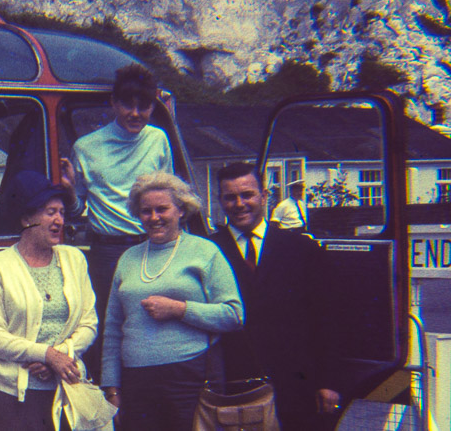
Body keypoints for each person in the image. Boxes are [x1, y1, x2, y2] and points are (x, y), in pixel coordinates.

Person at [100, 171, 243, 431]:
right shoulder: (128, 258)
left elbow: (233, 315)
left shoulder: (204, 251)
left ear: (180, 210)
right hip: (136, 380)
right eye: (146, 211)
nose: (154, 217)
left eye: (162, 209)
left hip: (190, 375)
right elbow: (112, 330)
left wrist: (179, 309)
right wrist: (112, 389)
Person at [208, 162, 341, 430]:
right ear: (220, 201)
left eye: (247, 194)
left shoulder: (301, 248)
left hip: (297, 386)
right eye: (230, 197)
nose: (240, 203)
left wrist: (329, 381)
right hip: (234, 386)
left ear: (265, 196)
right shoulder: (206, 250)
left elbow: (327, 318)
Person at [61, 64, 173, 379]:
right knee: (108, 330)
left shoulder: (159, 140)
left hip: (152, 247)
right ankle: (109, 402)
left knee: (153, 325)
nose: (136, 113)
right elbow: (75, 210)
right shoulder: (86, 147)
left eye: (145, 106)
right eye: (128, 104)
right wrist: (69, 192)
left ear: (153, 105)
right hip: (107, 252)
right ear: (113, 103)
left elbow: (168, 197)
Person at [0, 170, 99, 431]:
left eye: (62, 213)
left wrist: (60, 357)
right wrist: (46, 354)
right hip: (12, 397)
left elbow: (89, 323)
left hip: (65, 388)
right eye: (50, 212)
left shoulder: (74, 259)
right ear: (26, 218)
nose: (59, 220)